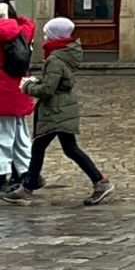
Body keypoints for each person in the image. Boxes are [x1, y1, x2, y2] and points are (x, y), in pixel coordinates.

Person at [8, 16, 113, 207]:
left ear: (55, 36)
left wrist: (27, 87)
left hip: (57, 109)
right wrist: (37, 82)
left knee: (43, 147)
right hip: (63, 107)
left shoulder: (55, 59)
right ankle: (29, 187)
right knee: (67, 148)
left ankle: (28, 188)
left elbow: (48, 90)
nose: (45, 39)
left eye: (48, 35)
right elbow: (55, 83)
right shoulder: (64, 54)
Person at [0, 0, 36, 195]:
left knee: (2, 137)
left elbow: (4, 30)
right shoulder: (24, 29)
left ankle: (2, 176)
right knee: (20, 134)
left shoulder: (4, 29)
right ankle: (25, 172)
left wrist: (3, 17)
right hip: (19, 88)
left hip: (3, 89)